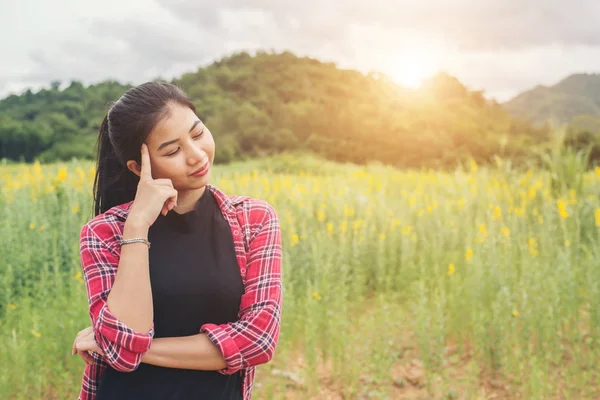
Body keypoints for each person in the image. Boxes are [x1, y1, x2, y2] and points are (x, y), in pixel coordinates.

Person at [70, 81, 283, 400]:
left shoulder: (252, 219)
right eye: (172, 150)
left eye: (197, 134)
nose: (197, 156)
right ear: (137, 167)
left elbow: (258, 339)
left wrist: (121, 346)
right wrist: (137, 225)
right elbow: (124, 350)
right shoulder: (104, 233)